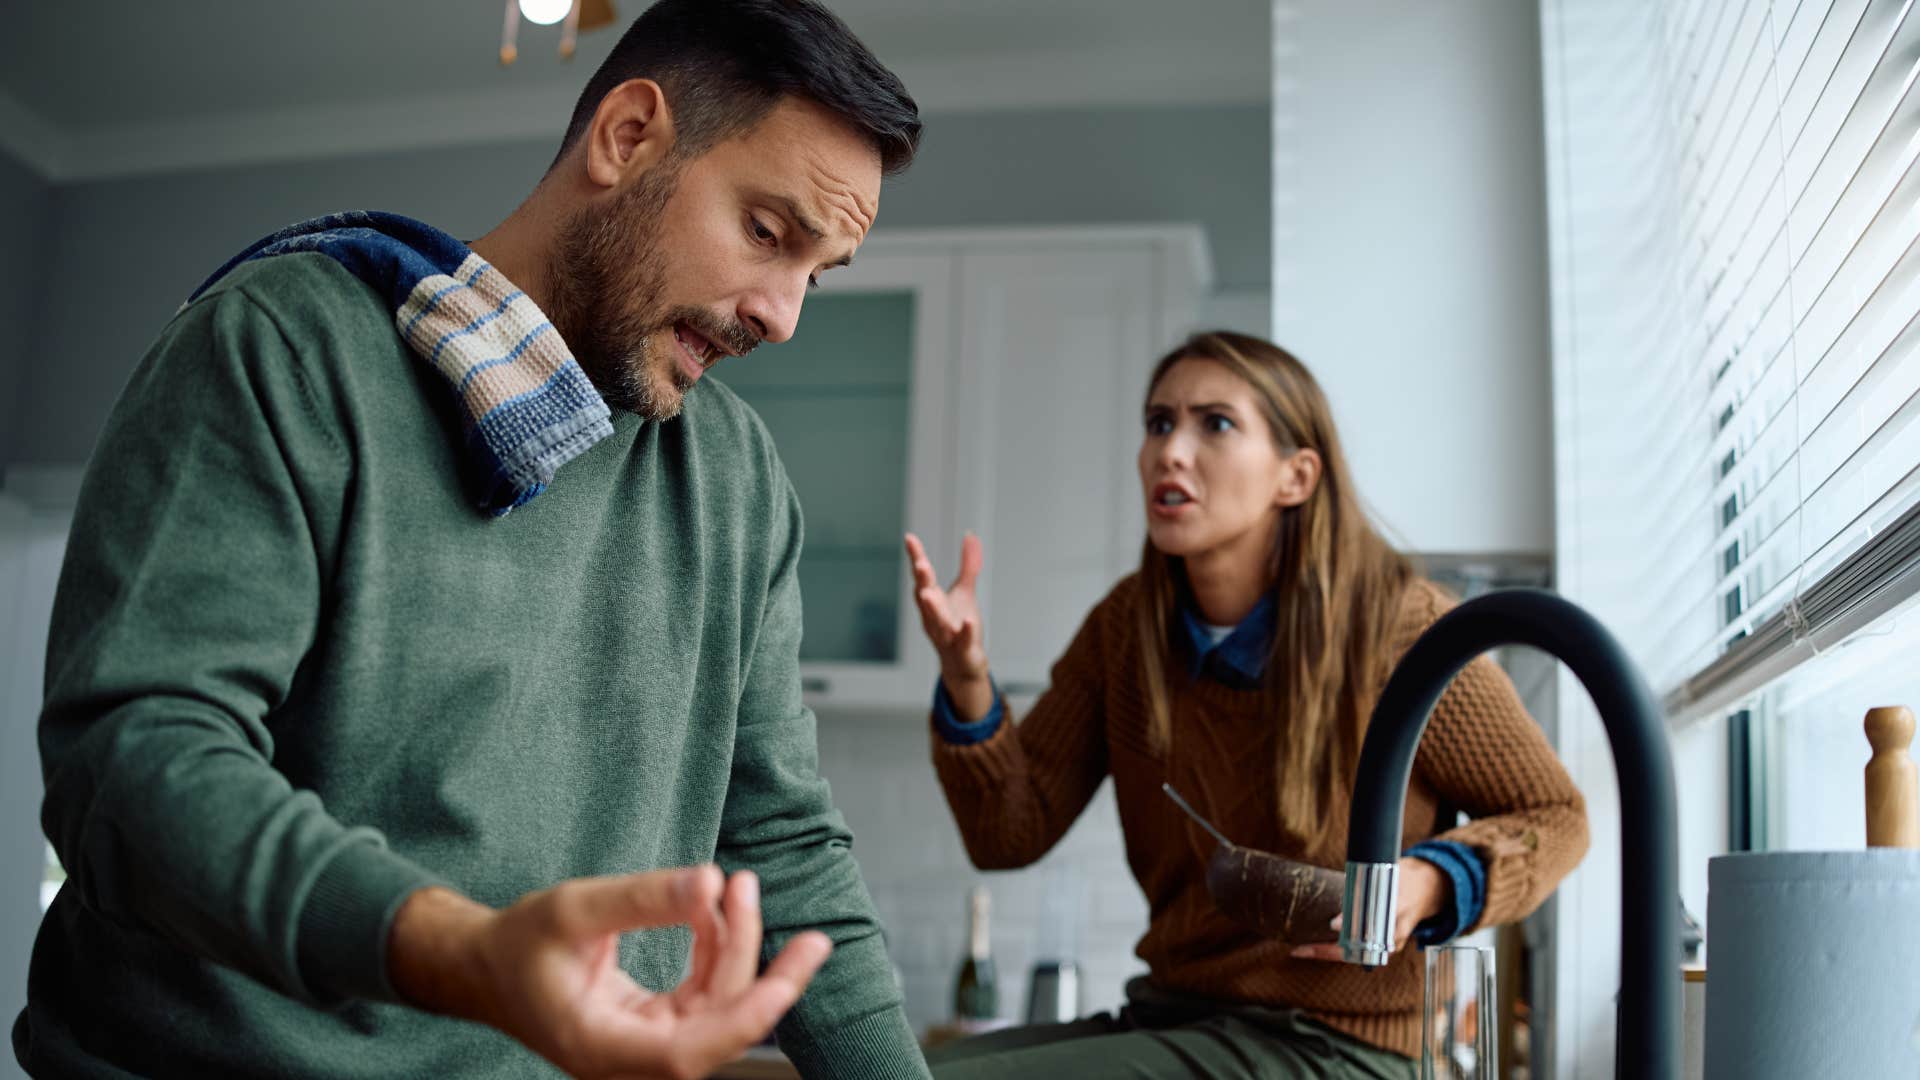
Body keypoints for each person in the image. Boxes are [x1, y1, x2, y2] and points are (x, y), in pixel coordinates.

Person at [14, 2, 932, 1077]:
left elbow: (783, 852)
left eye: (817, 274)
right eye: (768, 233)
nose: (783, 316)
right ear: (627, 136)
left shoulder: (736, 482)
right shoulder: (289, 345)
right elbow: (133, 768)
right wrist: (464, 953)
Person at [905, 331, 1589, 1079]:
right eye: (1159, 422)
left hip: (1341, 1047)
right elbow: (1009, 832)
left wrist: (1424, 884)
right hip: (1176, 1017)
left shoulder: (1401, 628)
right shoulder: (1125, 632)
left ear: (1295, 476)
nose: (1171, 450)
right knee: (883, 1069)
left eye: (1215, 424)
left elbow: (1555, 817)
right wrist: (967, 675)